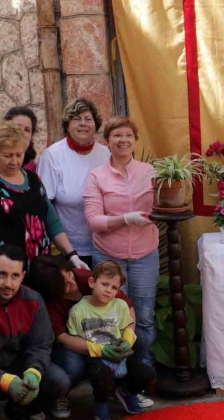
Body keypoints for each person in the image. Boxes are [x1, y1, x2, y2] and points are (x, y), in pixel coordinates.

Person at [84, 116, 160, 389]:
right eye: (117, 136)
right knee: (109, 318)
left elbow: (163, 205)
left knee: (144, 316)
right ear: (107, 141)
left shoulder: (149, 172)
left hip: (144, 254)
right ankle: (115, 373)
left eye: (128, 135)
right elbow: (94, 221)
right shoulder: (97, 176)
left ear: (135, 140)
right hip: (109, 256)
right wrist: (126, 218)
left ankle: (143, 372)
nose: (123, 140)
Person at [0, 121, 83, 276]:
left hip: (40, 272)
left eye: (19, 155)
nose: (14, 161)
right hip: (4, 275)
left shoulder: (33, 179)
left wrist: (71, 254)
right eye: (7, 155)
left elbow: (51, 220)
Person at [24, 254, 134, 419]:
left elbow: (128, 306)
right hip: (69, 344)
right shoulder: (49, 304)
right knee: (74, 365)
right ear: (52, 292)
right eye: (65, 285)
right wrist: (99, 350)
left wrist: (128, 337)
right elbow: (62, 337)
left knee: (136, 348)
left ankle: (119, 390)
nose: (73, 284)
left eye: (70, 275)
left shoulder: (87, 278)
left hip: (106, 335)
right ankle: (61, 396)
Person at [66, 260, 155, 420]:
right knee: (102, 375)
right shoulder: (78, 311)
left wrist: (127, 342)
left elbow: (127, 327)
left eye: (114, 287)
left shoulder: (120, 306)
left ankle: (125, 392)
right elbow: (74, 338)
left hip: (119, 353)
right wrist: (97, 350)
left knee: (147, 373)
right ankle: (101, 403)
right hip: (95, 355)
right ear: (92, 282)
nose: (108, 290)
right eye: (104, 284)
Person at [0, 247, 60, 420]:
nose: (8, 283)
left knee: (58, 381)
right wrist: (1, 378)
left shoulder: (34, 300)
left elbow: (41, 344)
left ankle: (19, 412)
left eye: (15, 276)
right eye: (2, 275)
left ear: (23, 276)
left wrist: (34, 372)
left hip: (20, 365)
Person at [37, 98, 109, 264]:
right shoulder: (52, 156)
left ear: (96, 125)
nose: (82, 124)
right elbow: (45, 204)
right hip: (67, 249)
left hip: (104, 245)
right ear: (67, 126)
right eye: (76, 119)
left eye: (88, 119)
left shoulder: (106, 155)